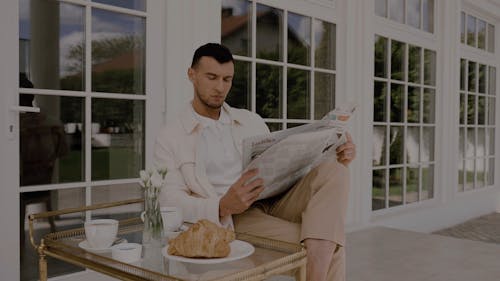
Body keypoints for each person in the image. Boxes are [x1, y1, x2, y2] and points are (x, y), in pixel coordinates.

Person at [154, 43, 355, 281]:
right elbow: (168, 201)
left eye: (227, 79)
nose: (220, 87)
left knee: (336, 170)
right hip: (235, 217)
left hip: (275, 198)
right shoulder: (171, 135)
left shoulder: (251, 120)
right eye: (212, 77)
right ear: (192, 75)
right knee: (331, 244)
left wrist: (334, 151)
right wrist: (222, 206)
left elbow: (281, 163)